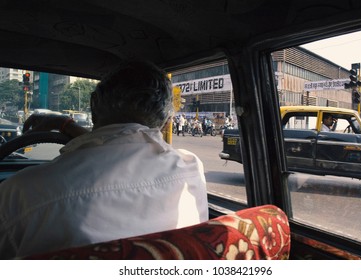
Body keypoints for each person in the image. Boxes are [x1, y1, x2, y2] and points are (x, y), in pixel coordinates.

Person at [0, 61, 208, 259]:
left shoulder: (22, 191)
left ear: (93, 103)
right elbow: (122, 140)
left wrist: (65, 124)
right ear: (166, 118)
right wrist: (66, 125)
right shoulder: (190, 169)